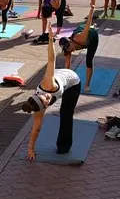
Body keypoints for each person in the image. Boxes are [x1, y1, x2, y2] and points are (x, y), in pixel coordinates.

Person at [23, 28, 83, 159]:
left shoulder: (47, 84)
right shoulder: (38, 109)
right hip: (62, 80)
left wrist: (50, 39)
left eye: (43, 95)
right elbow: (36, 128)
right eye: (46, 99)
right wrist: (30, 149)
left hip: (73, 82)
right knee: (45, 120)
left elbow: (51, 60)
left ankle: (64, 146)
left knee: (66, 114)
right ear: (45, 107)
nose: (46, 95)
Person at [60, 0, 99, 92]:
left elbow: (88, 23)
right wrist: (66, 82)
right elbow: (67, 65)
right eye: (68, 50)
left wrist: (92, 8)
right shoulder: (67, 49)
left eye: (70, 49)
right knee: (68, 61)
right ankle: (93, 26)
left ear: (70, 42)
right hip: (83, 31)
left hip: (92, 37)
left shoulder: (79, 37)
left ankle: (87, 85)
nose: (71, 51)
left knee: (89, 61)